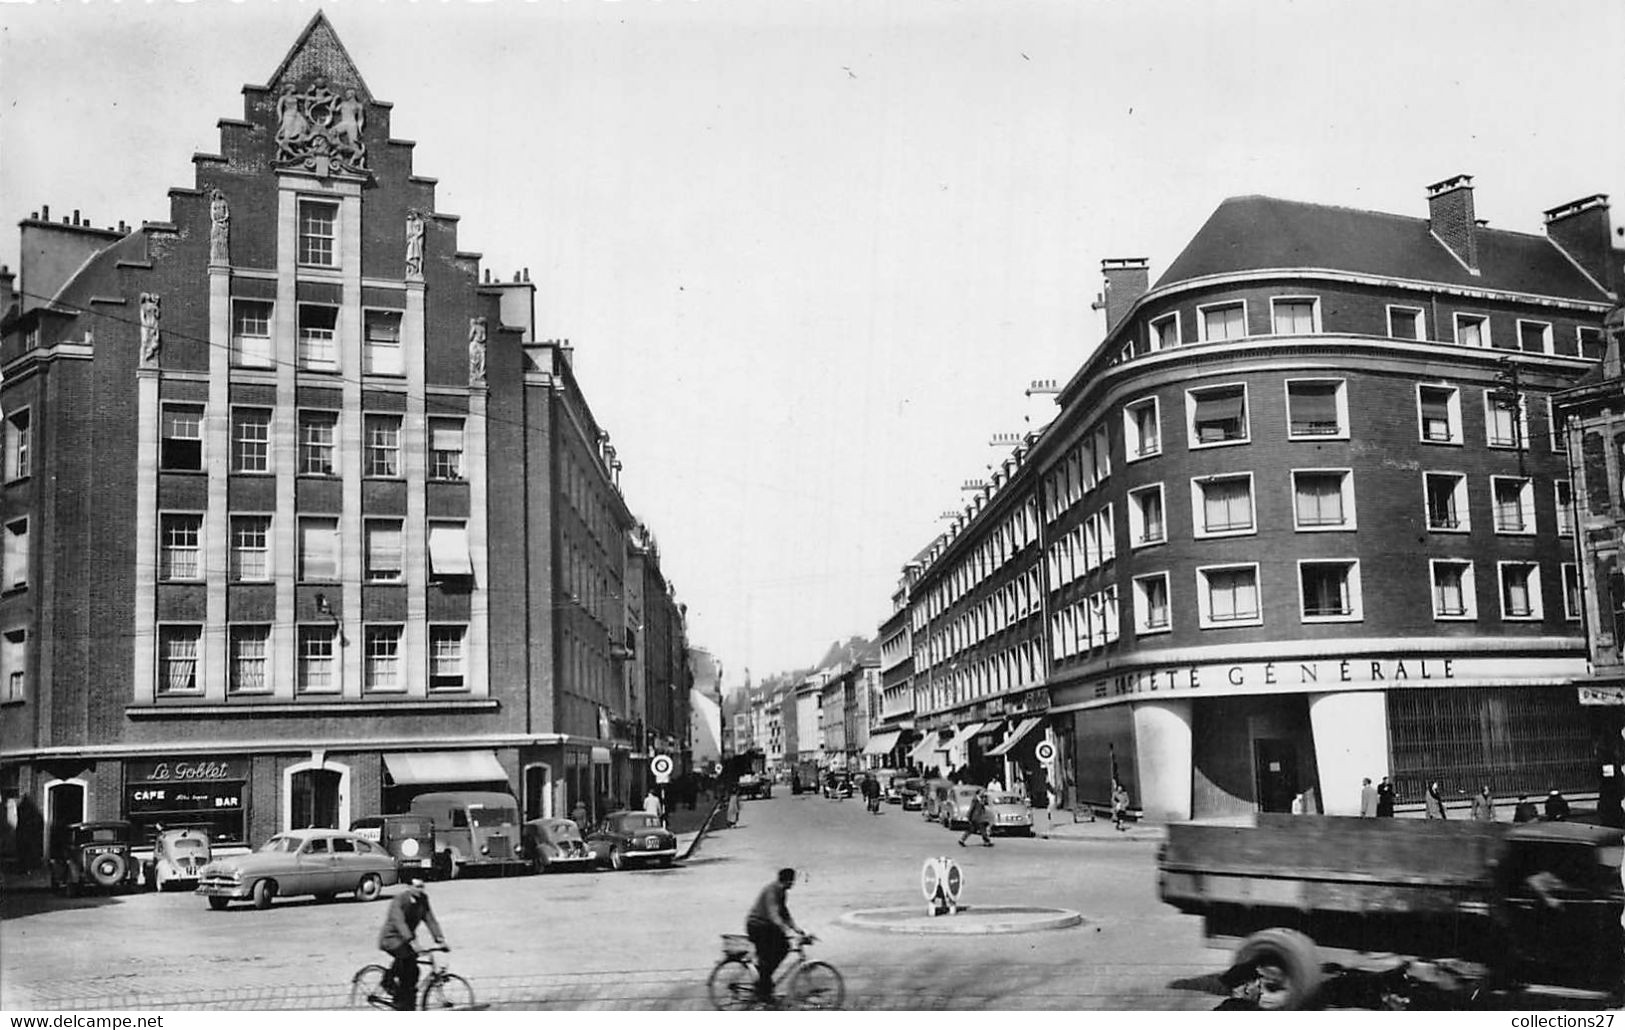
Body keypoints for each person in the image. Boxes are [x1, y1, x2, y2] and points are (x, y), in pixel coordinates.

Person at [377, 877, 447, 1011]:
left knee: (412, 969)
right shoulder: (400, 900)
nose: (420, 889)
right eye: (417, 886)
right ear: (409, 887)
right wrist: (413, 941)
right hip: (391, 938)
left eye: (422, 886)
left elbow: (430, 919)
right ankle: (391, 987)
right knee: (408, 962)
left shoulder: (423, 899)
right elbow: (399, 922)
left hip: (405, 939)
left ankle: (406, 999)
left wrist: (440, 939)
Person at [745, 868, 806, 1004]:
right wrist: (785, 929)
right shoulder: (771, 891)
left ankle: (764, 983)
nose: (793, 884)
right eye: (792, 881)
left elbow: (784, 912)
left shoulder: (782, 892)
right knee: (777, 950)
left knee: (779, 950)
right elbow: (774, 914)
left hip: (766, 926)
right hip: (757, 926)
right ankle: (763, 987)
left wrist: (796, 928)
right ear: (788, 881)